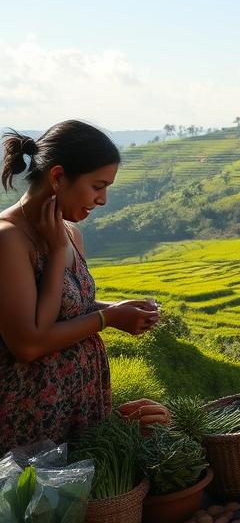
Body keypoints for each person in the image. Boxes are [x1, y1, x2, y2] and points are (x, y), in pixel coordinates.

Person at [0, 121, 163, 454]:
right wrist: (108, 319)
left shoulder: (70, 232)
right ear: (58, 177)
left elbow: (67, 308)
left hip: (79, 404)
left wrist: (117, 308)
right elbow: (28, 344)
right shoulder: (9, 240)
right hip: (32, 415)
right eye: (97, 186)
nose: (102, 199)